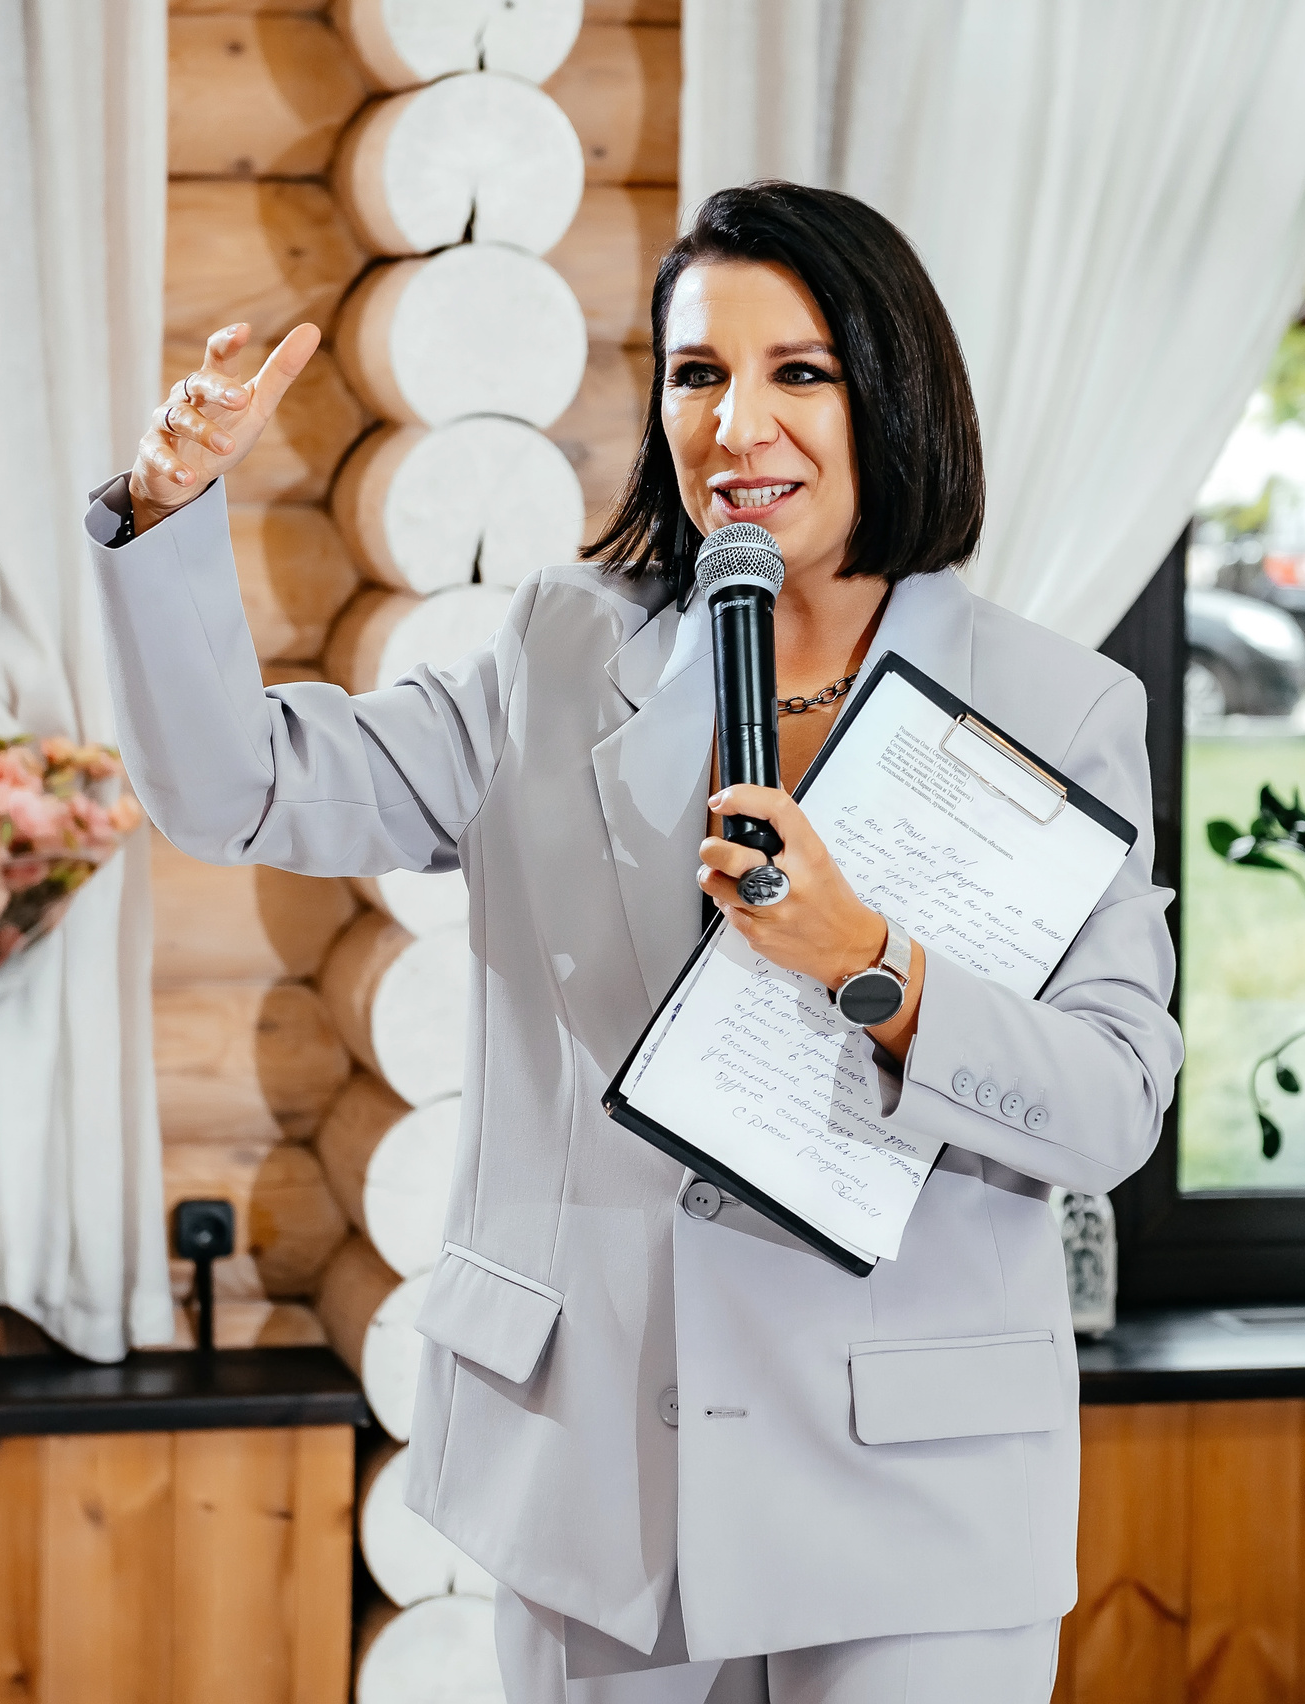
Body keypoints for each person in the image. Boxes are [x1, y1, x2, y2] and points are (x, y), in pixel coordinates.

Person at [86, 182, 1179, 1704]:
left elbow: (1114, 1101)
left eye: (801, 371)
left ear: (895, 393)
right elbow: (237, 784)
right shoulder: (559, 650)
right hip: (600, 1478)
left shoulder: (1056, 711)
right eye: (697, 373)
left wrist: (874, 962)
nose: (740, 424)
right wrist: (166, 517)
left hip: (916, 1502)